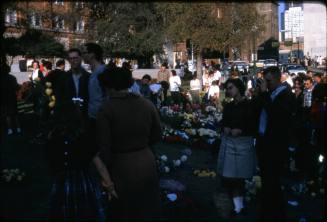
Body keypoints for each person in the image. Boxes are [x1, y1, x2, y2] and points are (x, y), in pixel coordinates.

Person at [96, 67, 162, 221]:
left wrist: (105, 174)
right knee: (147, 209)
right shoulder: (146, 104)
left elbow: (104, 145)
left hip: (121, 166)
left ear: (108, 86)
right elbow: (157, 135)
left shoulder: (106, 109)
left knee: (125, 211)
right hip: (146, 161)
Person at [253, 66, 296, 222]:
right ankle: (268, 211)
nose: (267, 84)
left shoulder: (286, 94)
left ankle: (275, 214)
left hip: (276, 144)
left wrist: (264, 94)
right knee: (267, 180)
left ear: (278, 79)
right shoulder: (268, 94)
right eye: (265, 81)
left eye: (269, 81)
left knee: (273, 181)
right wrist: (259, 95)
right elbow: (257, 111)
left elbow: (277, 114)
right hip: (264, 142)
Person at [217, 78, 256, 218]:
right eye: (227, 88)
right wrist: (225, 126)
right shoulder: (229, 106)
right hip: (230, 143)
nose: (228, 90)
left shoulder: (249, 105)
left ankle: (240, 205)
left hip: (244, 143)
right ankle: (236, 206)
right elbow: (223, 121)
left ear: (238, 88)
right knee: (231, 176)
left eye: (230, 87)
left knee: (241, 177)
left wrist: (241, 130)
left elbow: (253, 124)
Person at [1, 62, 22, 135]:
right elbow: (17, 87)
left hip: (4, 98)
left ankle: (10, 129)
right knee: (15, 114)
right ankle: (18, 128)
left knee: (7, 115)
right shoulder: (12, 78)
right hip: (12, 97)